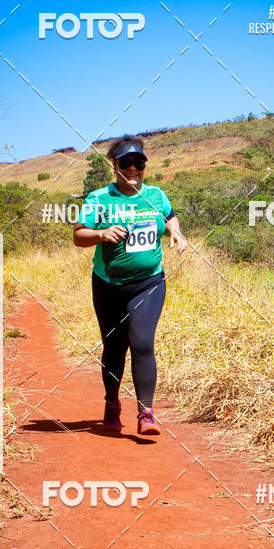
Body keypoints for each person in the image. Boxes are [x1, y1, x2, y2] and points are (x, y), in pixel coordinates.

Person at [73, 135, 186, 435]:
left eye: (139, 163)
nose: (133, 168)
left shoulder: (156, 195)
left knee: (142, 343)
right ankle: (112, 402)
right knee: (114, 347)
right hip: (108, 284)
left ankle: (146, 412)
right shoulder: (99, 199)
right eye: (126, 163)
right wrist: (101, 234)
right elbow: (78, 236)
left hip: (148, 283)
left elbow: (170, 217)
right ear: (115, 165)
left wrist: (176, 232)